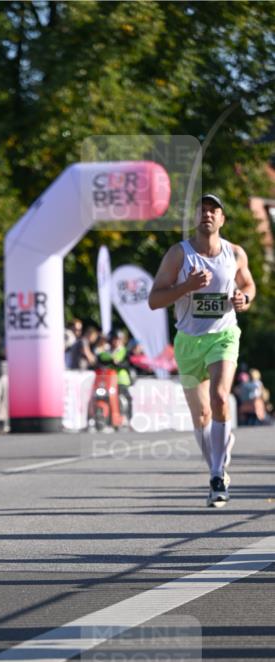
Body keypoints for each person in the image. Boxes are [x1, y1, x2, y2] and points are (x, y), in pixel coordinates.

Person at [149, 193, 256, 507]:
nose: (207, 214)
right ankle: (216, 461)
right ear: (193, 219)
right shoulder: (178, 256)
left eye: (214, 210)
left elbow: (248, 286)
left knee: (220, 397)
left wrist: (244, 300)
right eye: (202, 210)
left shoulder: (235, 253)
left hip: (222, 336)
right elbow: (154, 300)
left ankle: (216, 473)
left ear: (222, 219)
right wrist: (186, 286)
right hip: (187, 341)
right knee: (202, 416)